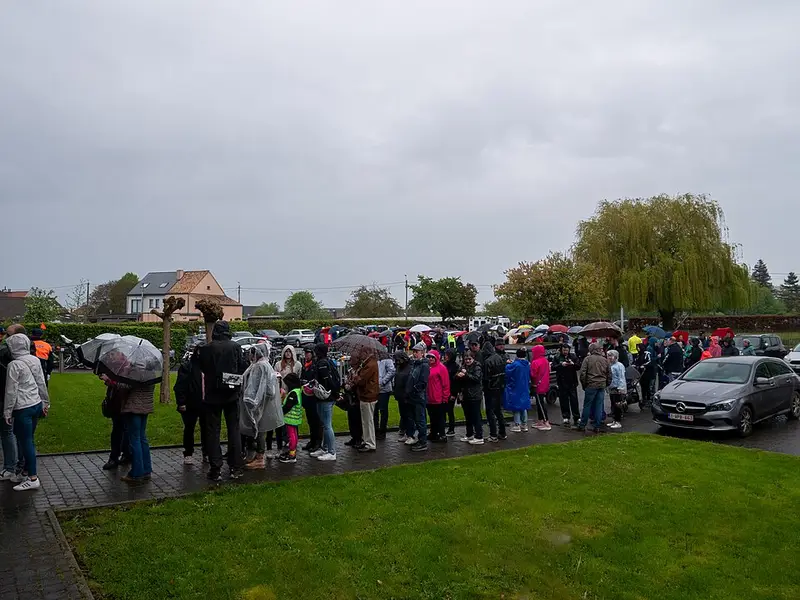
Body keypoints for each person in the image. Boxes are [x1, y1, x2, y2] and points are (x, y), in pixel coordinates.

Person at [197, 320, 249, 481]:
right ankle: (235, 466)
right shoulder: (234, 346)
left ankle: (215, 468)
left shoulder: (206, 348)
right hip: (231, 392)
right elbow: (242, 366)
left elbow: (203, 368)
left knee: (213, 431)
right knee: (234, 430)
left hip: (212, 394)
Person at [3, 333, 49, 491]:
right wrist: (45, 402)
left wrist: (7, 412)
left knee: (26, 441)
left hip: (23, 407)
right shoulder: (34, 359)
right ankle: (24, 471)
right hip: (36, 403)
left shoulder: (14, 365)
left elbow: (11, 391)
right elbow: (41, 382)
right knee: (28, 439)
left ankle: (33, 477)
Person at [101, 373, 154, 485]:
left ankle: (136, 473)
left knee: (135, 440)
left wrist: (109, 380)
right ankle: (146, 469)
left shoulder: (136, 371)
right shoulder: (151, 371)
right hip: (145, 407)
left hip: (133, 407)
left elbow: (125, 386)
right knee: (142, 438)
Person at [240, 344, 282, 470]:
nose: (250, 356)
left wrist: (256, 400)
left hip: (258, 405)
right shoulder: (263, 364)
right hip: (258, 404)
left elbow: (265, 388)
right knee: (258, 430)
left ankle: (260, 458)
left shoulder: (260, 366)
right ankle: (256, 455)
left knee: (259, 430)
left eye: (252, 353)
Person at [173, 345, 207, 466]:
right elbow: (180, 386)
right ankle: (188, 453)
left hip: (205, 403)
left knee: (206, 428)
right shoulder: (188, 367)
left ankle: (206, 452)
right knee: (189, 428)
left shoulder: (208, 367)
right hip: (191, 403)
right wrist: (181, 402)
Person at [311, 343, 340, 460]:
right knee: (324, 424)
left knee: (327, 425)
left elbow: (325, 381)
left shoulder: (322, 364)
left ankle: (332, 452)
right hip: (326, 397)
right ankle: (325, 448)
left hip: (325, 397)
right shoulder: (327, 362)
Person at [576, 343, 610, 433]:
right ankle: (597, 426)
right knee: (599, 406)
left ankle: (582, 425)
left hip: (591, 385)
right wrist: (606, 383)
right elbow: (609, 373)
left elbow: (582, 373)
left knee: (587, 405)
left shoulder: (587, 359)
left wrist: (584, 384)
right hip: (601, 385)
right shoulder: (605, 360)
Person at [351, 350, 379, 453]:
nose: (359, 354)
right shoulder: (368, 363)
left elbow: (361, 380)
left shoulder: (370, 364)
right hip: (366, 395)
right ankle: (368, 441)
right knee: (366, 421)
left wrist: (355, 376)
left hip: (368, 395)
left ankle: (370, 443)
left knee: (368, 421)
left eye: (361, 352)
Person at [406, 343, 430, 451]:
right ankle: (419, 439)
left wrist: (414, 389)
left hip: (418, 396)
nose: (415, 354)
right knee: (415, 418)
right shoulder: (415, 364)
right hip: (412, 396)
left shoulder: (424, 365)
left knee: (420, 420)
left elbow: (423, 382)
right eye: (414, 352)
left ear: (423, 353)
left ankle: (423, 441)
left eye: (417, 352)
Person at [483, 339, 507, 441]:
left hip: (491, 388)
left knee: (490, 412)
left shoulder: (488, 361)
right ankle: (502, 432)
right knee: (498, 411)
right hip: (499, 387)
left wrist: (485, 387)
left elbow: (485, 377)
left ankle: (493, 434)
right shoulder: (500, 358)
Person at [458, 351, 484, 444]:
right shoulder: (463, 366)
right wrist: (459, 375)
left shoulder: (477, 366)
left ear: (473, 359)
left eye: (469, 359)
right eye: (466, 359)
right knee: (468, 416)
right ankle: (469, 434)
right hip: (466, 395)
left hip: (475, 395)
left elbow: (476, 378)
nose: (468, 361)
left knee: (476, 416)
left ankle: (479, 436)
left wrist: (466, 374)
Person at [300, 346, 323, 453]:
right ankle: (312, 440)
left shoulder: (314, 365)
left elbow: (315, 380)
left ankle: (317, 441)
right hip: (307, 396)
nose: (306, 355)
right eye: (305, 353)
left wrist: (308, 381)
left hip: (313, 396)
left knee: (316, 420)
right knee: (310, 420)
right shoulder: (305, 366)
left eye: (308, 353)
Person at [278, 373, 304, 463]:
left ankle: (292, 454)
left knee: (291, 435)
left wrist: (280, 411)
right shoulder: (297, 391)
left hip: (290, 418)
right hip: (294, 418)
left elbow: (288, 406)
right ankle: (292, 452)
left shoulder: (293, 393)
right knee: (294, 435)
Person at [504, 349, 531, 432]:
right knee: (523, 407)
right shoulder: (527, 364)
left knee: (516, 407)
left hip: (515, 387)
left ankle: (517, 424)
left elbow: (508, 371)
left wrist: (508, 363)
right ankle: (524, 424)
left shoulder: (515, 365)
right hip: (525, 387)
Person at [553, 344, 580, 426]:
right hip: (562, 382)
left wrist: (573, 364)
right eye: (564, 350)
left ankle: (577, 417)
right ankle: (566, 416)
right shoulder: (557, 357)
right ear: (561, 350)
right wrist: (561, 365)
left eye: (567, 350)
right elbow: (553, 367)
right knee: (563, 400)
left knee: (574, 400)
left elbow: (578, 366)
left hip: (572, 381)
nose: (565, 352)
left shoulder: (573, 356)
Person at [529, 345, 552, 431]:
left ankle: (546, 422)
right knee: (540, 403)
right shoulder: (545, 361)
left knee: (540, 404)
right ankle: (540, 420)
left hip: (537, 385)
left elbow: (533, 374)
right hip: (544, 384)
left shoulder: (535, 362)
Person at [374, 355, 396, 440]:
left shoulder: (387, 359)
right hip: (374, 389)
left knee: (383, 410)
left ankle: (382, 431)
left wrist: (382, 382)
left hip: (384, 389)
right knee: (374, 410)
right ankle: (375, 430)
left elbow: (391, 371)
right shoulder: (373, 358)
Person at [393, 351, 412, 442]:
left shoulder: (409, 368)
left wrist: (406, 395)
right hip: (399, 395)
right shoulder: (399, 367)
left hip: (406, 396)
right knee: (403, 415)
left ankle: (410, 434)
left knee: (408, 416)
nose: (397, 362)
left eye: (398, 360)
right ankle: (406, 432)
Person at [442, 349, 460, 437]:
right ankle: (442, 427)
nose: (445, 356)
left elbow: (456, 382)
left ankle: (451, 428)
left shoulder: (456, 366)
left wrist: (453, 394)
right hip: (444, 390)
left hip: (452, 391)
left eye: (447, 355)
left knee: (450, 410)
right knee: (443, 410)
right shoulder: (444, 365)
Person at [607, 349, 626, 430]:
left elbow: (621, 377)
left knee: (618, 405)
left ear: (616, 357)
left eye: (611, 355)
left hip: (617, 388)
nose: (609, 357)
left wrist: (620, 388)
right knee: (613, 404)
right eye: (608, 355)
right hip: (612, 387)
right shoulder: (610, 365)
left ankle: (618, 421)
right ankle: (614, 420)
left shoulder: (619, 365)